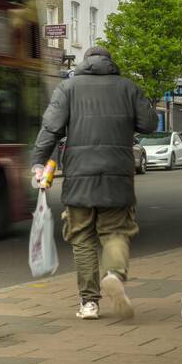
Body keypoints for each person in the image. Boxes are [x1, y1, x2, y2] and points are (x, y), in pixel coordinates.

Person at [30, 45, 158, 320]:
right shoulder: (128, 87)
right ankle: (114, 274)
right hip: (118, 174)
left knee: (82, 237)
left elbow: (51, 128)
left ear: (85, 62)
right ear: (110, 63)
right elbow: (149, 125)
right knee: (116, 231)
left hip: (79, 175)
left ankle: (89, 303)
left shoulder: (68, 88)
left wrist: (39, 162)